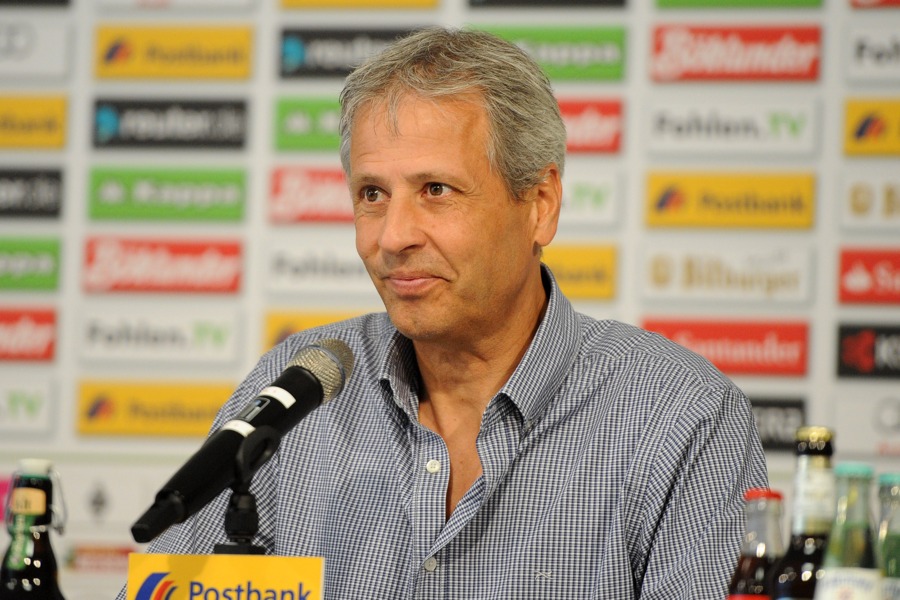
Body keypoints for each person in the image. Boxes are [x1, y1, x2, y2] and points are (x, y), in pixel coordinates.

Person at [119, 27, 768, 599]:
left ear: (539, 204)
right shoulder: (298, 388)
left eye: (436, 190)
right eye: (372, 194)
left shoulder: (683, 417)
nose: (393, 234)